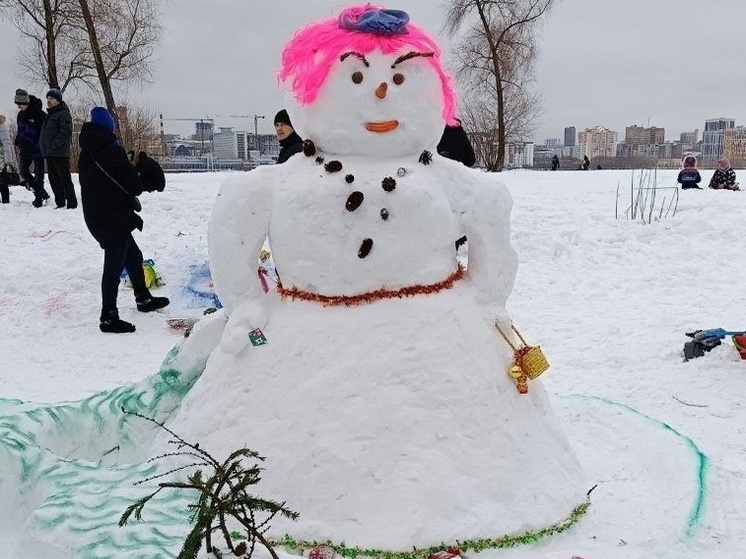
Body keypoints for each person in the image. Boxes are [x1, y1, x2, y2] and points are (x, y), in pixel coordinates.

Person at [78, 106, 169, 333]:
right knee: (114, 265)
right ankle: (108, 316)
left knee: (133, 255)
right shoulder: (111, 150)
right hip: (112, 218)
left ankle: (143, 298)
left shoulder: (86, 153)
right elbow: (134, 186)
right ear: (109, 128)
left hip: (98, 215)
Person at [39, 87, 77, 208]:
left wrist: (55, 145)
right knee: (53, 180)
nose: (49, 100)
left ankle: (72, 203)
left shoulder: (64, 114)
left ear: (58, 100)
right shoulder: (49, 115)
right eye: (48, 98)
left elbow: (66, 133)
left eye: (52, 98)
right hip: (49, 153)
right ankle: (60, 203)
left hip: (60, 153)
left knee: (65, 179)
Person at [14, 89, 50, 207]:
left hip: (38, 149)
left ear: (26, 102)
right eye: (18, 105)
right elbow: (21, 130)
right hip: (25, 149)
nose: (20, 107)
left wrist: (40, 144)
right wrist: (18, 140)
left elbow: (45, 132)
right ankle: (42, 193)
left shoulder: (39, 114)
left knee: (39, 175)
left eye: (21, 104)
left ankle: (38, 199)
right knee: (23, 171)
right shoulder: (20, 115)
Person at [0, 114, 17, 203]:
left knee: (2, 180)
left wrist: (8, 160)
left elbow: (6, 144)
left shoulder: (2, 127)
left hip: (1, 158)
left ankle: (5, 201)